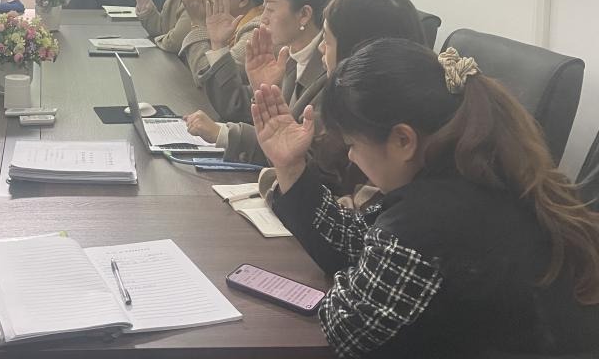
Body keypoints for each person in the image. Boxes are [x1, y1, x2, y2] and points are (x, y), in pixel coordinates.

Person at [255, 39, 599, 358]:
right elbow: (355, 240)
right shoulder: (472, 170)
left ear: (403, 140)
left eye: (352, 145)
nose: (351, 158)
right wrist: (290, 167)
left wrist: (358, 275)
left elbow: (346, 327)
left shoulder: (430, 221)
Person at [186, 0, 426, 198]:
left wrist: (223, 133)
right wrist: (264, 91)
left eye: (328, 41)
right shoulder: (294, 62)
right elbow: (280, 138)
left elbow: (317, 172)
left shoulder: (344, 94)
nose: (263, 17)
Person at [190, 0, 332, 123]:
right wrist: (218, 43)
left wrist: (222, 134)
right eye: (264, 8)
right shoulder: (287, 53)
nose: (263, 18)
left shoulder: (329, 66)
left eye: (270, 9)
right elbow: (239, 109)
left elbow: (293, 136)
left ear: (304, 14)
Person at [179, 0, 273, 84]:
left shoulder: (256, 31)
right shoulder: (242, 21)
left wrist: (198, 23)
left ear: (243, 0)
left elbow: (210, 79)